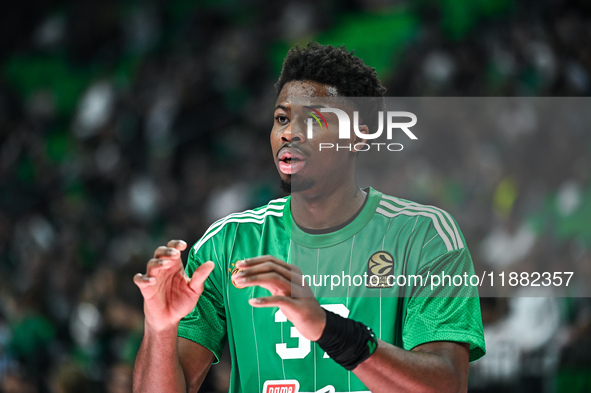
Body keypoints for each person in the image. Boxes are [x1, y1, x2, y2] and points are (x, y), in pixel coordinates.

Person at [132, 42, 485, 393]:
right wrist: (159, 330)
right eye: (282, 118)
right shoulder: (227, 244)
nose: (289, 133)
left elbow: (447, 386)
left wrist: (327, 328)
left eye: (313, 118)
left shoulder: (423, 236)